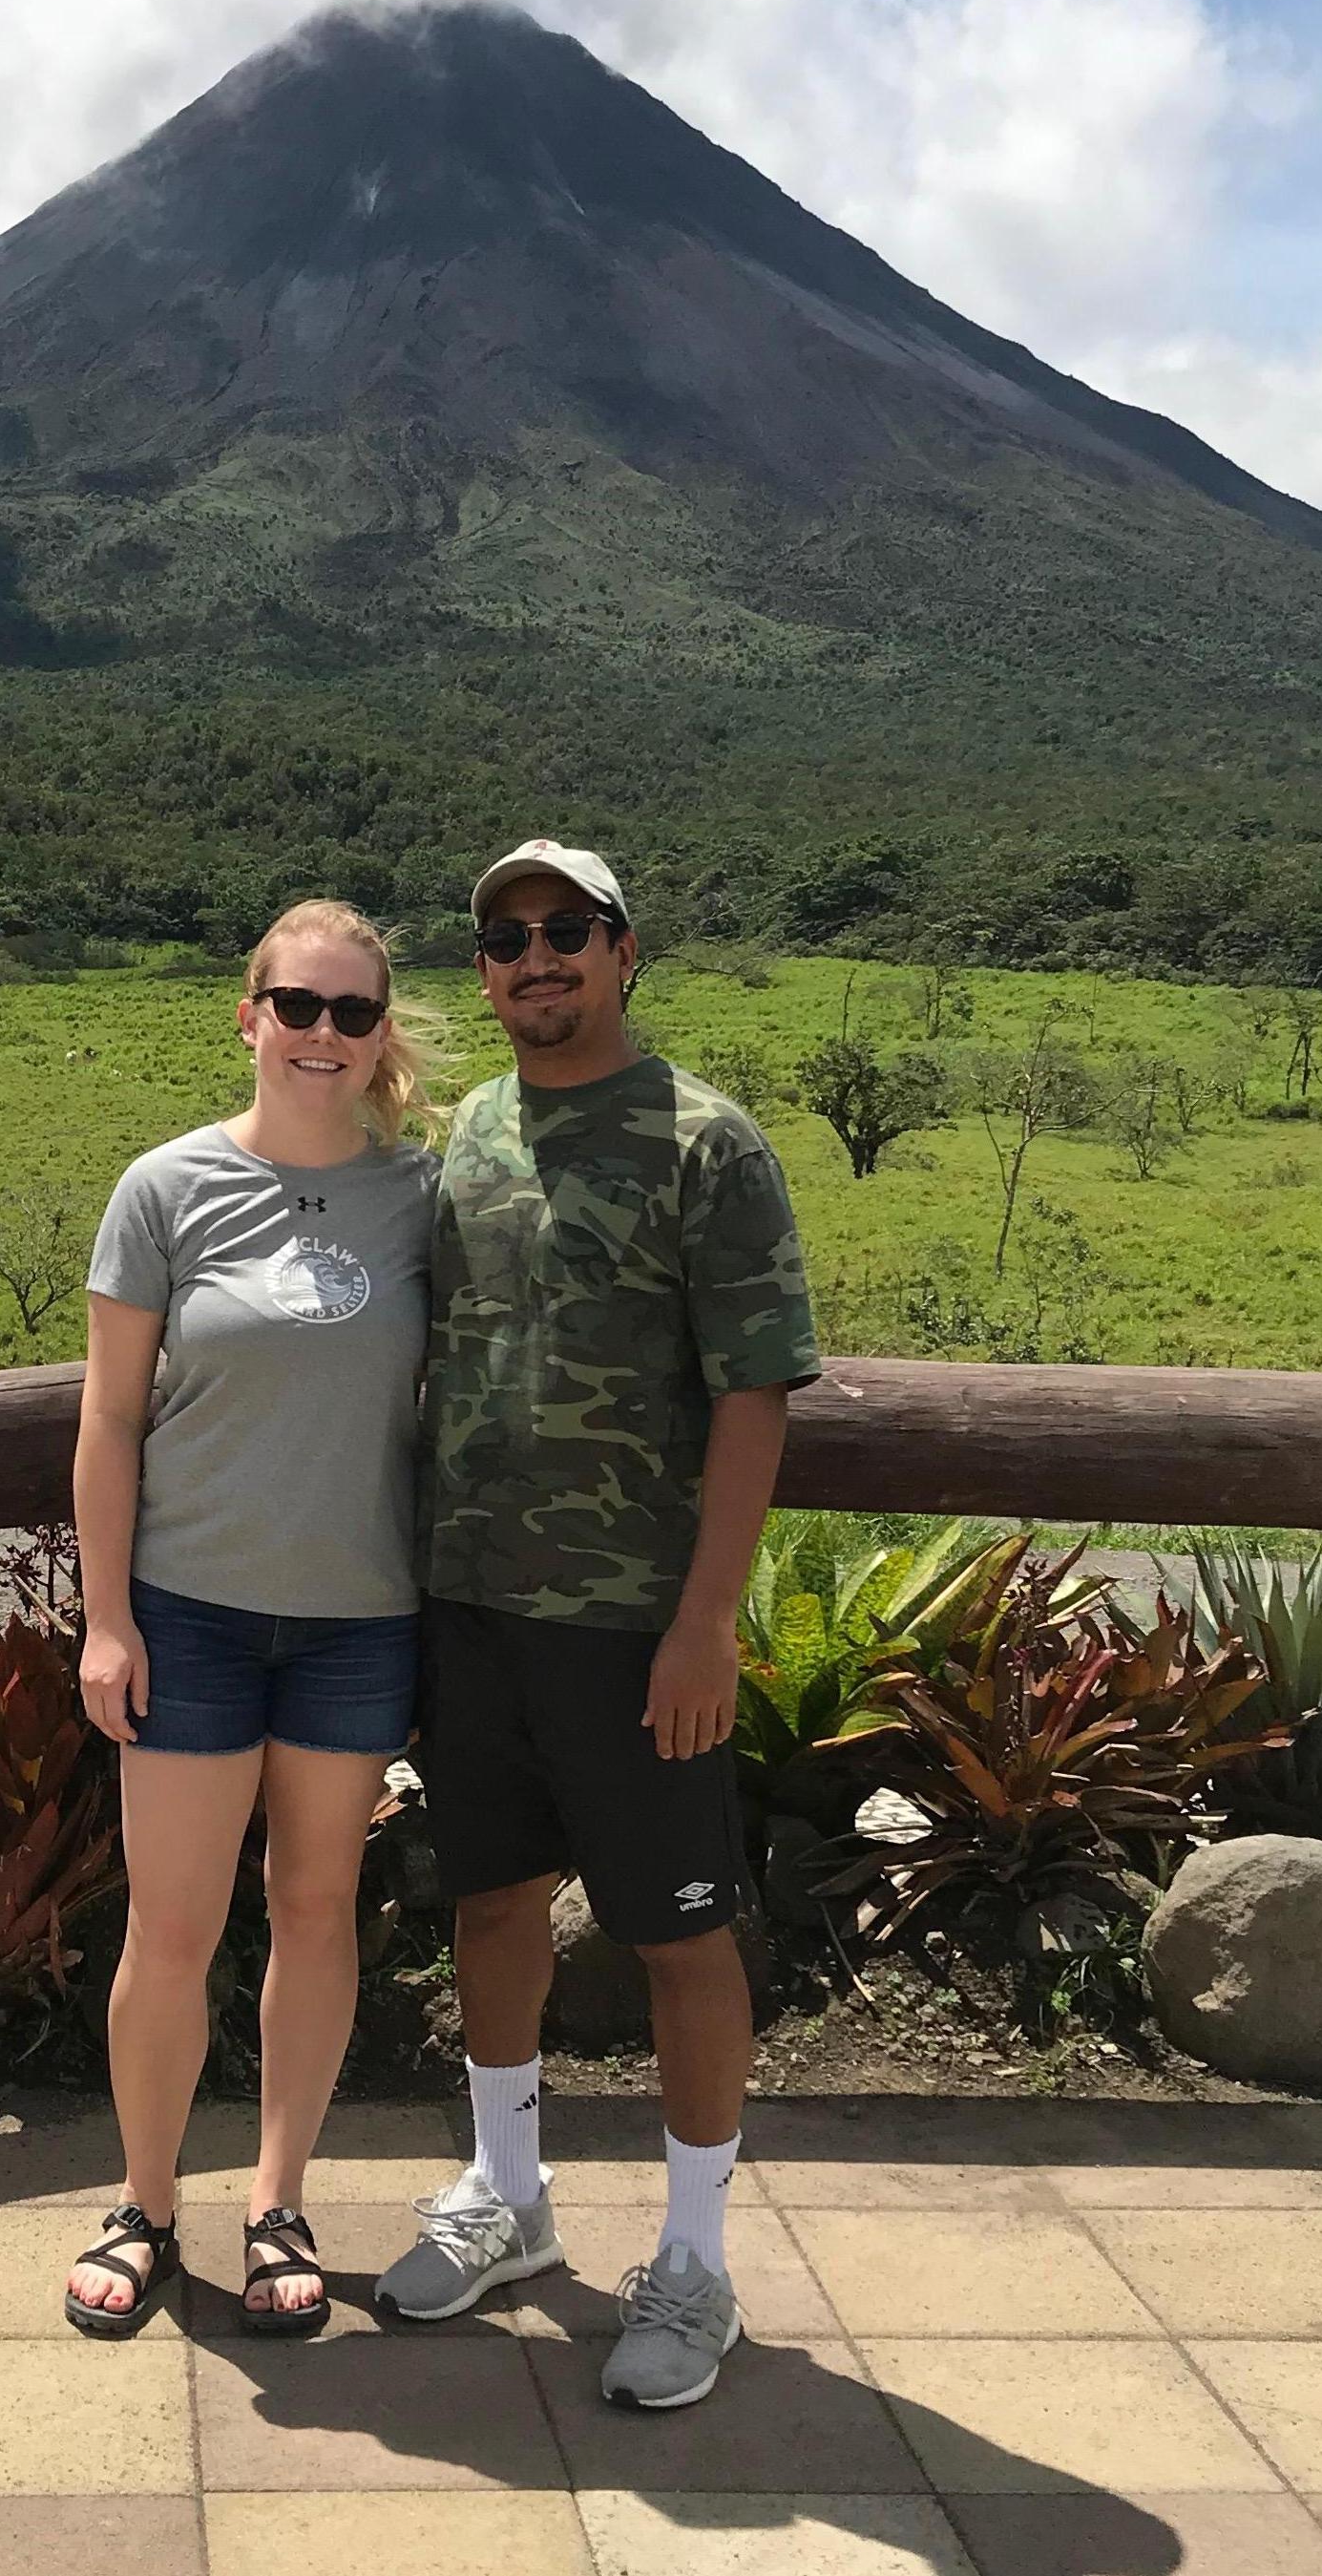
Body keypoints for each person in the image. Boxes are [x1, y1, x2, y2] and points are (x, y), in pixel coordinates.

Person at [378, 838, 819, 2411]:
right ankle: (509, 2195)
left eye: (567, 929)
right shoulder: (468, 1133)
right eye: (505, 937)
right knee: (492, 1907)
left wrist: (708, 1623)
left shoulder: (708, 1143)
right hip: (474, 1610)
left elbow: (755, 1392)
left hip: (637, 1624)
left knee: (676, 1932)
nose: (534, 957)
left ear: (627, 951)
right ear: (482, 969)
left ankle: (693, 2262)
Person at [60, 898, 441, 2339]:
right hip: (192, 1612)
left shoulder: (420, 1200)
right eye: (298, 1006)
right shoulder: (162, 1190)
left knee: (315, 1906)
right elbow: (106, 1419)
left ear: (380, 1031)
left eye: (353, 1012)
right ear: (248, 1015)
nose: (323, 1035)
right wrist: (107, 1621)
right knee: (171, 1924)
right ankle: (143, 2203)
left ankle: (279, 2196)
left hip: (356, 1617)